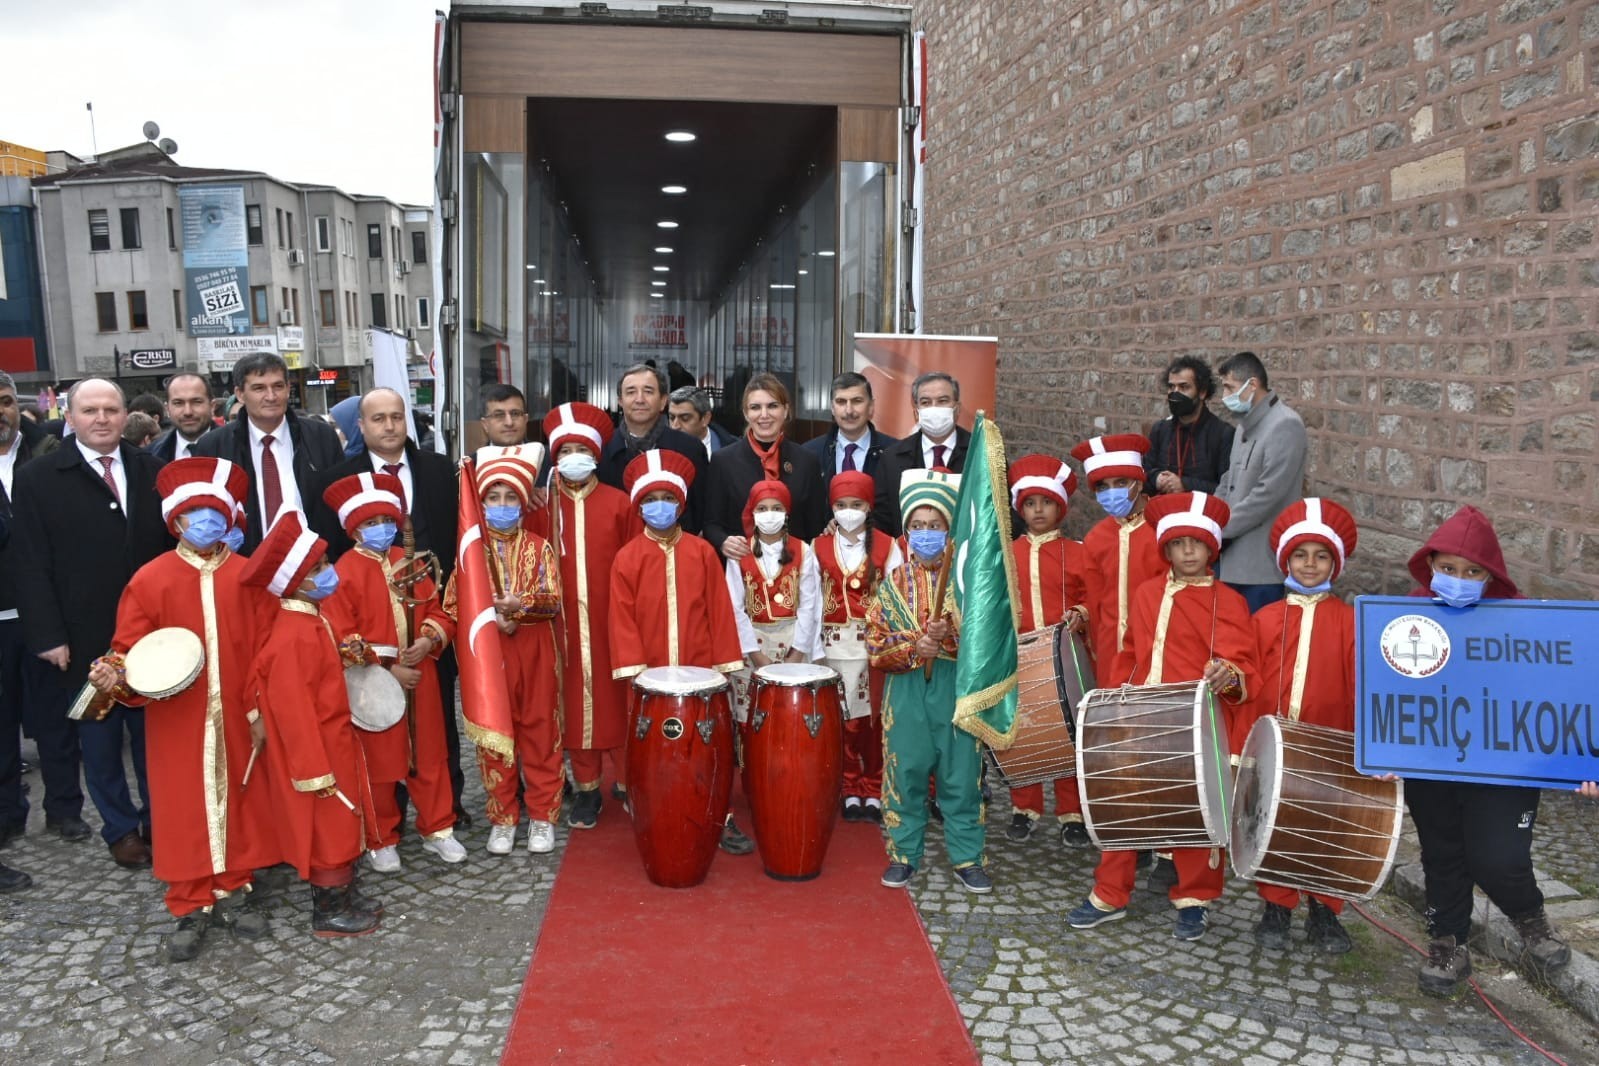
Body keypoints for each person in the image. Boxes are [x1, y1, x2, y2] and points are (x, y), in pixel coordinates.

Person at [86, 457, 278, 961]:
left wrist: (261, 708)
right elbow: (129, 650)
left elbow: (267, 650)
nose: (205, 522)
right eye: (195, 513)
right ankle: (189, 900)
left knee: (241, 796)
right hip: (176, 716)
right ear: (176, 519)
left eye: (215, 512)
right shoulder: (150, 580)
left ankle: (235, 886)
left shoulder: (248, 577)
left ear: (229, 517)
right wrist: (115, 673)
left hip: (237, 711)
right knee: (181, 804)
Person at [1068, 491, 1258, 942]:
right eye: (1178, 544)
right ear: (1166, 549)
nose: (1188, 552)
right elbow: (1131, 649)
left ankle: (1194, 898)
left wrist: (1227, 673)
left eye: (1196, 544)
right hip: (1140, 714)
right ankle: (1110, 892)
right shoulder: (1146, 593)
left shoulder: (1228, 602)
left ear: (1211, 548)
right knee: (1123, 804)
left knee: (1194, 810)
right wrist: (1117, 698)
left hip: (1194, 722)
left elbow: (1243, 664)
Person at [1402, 505, 1571, 997]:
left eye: (1472, 572)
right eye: (1448, 568)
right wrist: (1383, 751)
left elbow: (1561, 697)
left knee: (1499, 857)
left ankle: (1529, 916)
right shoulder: (1406, 614)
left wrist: (1580, 763)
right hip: (1433, 763)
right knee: (1442, 854)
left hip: (1504, 767)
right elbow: (1386, 693)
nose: (1458, 580)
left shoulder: (1522, 621)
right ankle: (1448, 943)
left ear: (1491, 575)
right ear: (1430, 564)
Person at [12, 378, 171, 868]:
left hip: (150, 637)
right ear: (70, 417)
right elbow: (30, 563)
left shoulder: (153, 469)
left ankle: (160, 823)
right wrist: (48, 636)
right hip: (82, 640)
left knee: (153, 741)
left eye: (110, 409)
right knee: (99, 744)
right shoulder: (38, 478)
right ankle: (121, 831)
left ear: (125, 415)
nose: (101, 419)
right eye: (89, 410)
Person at [314, 388, 467, 825]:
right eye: (378, 418)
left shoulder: (440, 470)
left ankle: (446, 809)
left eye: (396, 416)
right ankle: (384, 817)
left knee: (437, 726)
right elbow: (327, 556)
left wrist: (433, 634)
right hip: (370, 639)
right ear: (361, 426)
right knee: (376, 729)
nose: (389, 425)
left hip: (429, 627)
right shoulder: (333, 481)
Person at [241, 511, 381, 938]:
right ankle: (329, 910)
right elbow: (293, 710)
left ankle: (345, 893)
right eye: (317, 569)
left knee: (344, 819)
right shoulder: (293, 634)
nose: (328, 573)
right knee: (329, 828)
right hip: (318, 750)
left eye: (325, 563)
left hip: (334, 739)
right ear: (295, 582)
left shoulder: (311, 618)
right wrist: (313, 770)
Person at [608, 449, 749, 854]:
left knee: (706, 747)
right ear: (639, 506)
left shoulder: (703, 552)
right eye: (651, 500)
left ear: (681, 503)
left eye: (667, 498)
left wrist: (722, 668)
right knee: (653, 749)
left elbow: (719, 610)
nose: (660, 507)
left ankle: (718, 814)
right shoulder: (626, 558)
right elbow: (621, 619)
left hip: (700, 671)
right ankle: (655, 809)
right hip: (648, 677)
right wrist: (639, 676)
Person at [322, 472, 464, 872]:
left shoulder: (412, 562)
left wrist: (430, 641)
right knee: (379, 762)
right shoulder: (343, 572)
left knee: (429, 754)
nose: (381, 529)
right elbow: (342, 636)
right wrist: (388, 669)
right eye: (371, 523)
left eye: (387, 521)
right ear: (354, 529)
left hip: (422, 677)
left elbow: (439, 611)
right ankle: (381, 836)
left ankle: (439, 827)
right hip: (373, 685)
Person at [1237, 497, 1360, 955]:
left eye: (1321, 555)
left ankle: (1325, 909)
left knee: (1327, 825)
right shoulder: (1265, 619)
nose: (1310, 564)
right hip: (1277, 741)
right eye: (1301, 555)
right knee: (1274, 822)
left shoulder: (1350, 622)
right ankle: (1277, 906)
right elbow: (1250, 678)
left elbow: (1360, 684)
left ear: (1335, 563)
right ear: (1285, 560)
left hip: (1330, 742)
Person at [868, 469, 991, 894]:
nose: (926, 533)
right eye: (917, 526)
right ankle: (904, 853)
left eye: (934, 525)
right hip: (907, 688)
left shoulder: (967, 583)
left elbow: (988, 638)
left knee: (961, 774)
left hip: (954, 685)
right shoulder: (893, 582)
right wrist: (914, 646)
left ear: (949, 530)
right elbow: (875, 642)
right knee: (906, 771)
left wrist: (951, 635)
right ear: (906, 532)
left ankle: (968, 856)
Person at [443, 445, 563, 856]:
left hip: (535, 649)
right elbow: (453, 604)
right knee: (495, 736)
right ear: (479, 503)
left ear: (523, 502)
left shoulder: (539, 547)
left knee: (541, 732)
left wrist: (521, 606)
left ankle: (543, 815)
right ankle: (502, 816)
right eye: (492, 497)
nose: (502, 504)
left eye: (510, 497)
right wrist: (488, 617)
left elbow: (553, 599)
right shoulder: (470, 553)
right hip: (489, 656)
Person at [531, 403, 639, 829]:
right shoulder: (541, 506)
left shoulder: (620, 504)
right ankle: (587, 790)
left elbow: (637, 564)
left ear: (595, 455)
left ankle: (631, 782)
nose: (573, 457)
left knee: (621, 703)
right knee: (573, 706)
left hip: (613, 624)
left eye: (581, 450)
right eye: (565, 450)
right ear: (554, 457)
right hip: (562, 628)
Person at [1004, 454, 1091, 847]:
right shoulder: (1007, 554)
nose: (1038, 511)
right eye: (1031, 503)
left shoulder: (1078, 552)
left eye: (1047, 503)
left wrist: (1082, 612)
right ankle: (1024, 808)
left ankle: (1072, 812)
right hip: (1020, 657)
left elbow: (1093, 596)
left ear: (1061, 507)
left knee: (1069, 733)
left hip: (1065, 658)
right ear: (1020, 509)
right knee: (1024, 733)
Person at [189, 352, 345, 551]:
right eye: (259, 388)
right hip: (244, 562)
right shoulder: (213, 446)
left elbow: (338, 505)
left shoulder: (321, 437)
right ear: (240, 394)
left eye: (278, 386)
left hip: (314, 562)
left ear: (288, 389)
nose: (271, 397)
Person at [0, 370, 60, 879]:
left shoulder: (45, 453)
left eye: (4, 401)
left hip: (42, 610)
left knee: (53, 719)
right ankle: (8, 815)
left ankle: (64, 810)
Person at [812, 471, 897, 823]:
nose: (849, 511)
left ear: (869, 506)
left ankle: (873, 786)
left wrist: (891, 643)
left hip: (873, 647)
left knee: (873, 721)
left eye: (857, 504)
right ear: (832, 508)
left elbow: (896, 598)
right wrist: (813, 650)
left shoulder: (888, 546)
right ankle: (847, 786)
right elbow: (812, 601)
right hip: (833, 647)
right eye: (842, 505)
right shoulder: (817, 547)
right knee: (842, 719)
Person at [1213, 351, 1307, 613]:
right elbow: (1228, 479)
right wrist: (1211, 515)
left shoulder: (1286, 424)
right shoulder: (1244, 425)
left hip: (1259, 565)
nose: (1224, 396)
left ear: (1252, 385)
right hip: (1229, 558)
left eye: (1230, 387)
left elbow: (1268, 494)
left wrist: (1222, 527)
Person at [1071, 434, 1165, 689]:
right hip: (1110, 653)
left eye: (1121, 482)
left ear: (1138, 482)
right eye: (1103, 487)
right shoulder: (1095, 539)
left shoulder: (1164, 528)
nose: (1112, 492)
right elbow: (1094, 600)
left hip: (1158, 648)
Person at [725, 480, 824, 719]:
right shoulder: (739, 552)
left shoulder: (804, 550)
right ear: (752, 512)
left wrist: (797, 652)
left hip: (793, 641)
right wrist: (755, 654)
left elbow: (809, 605)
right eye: (762, 508)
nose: (769, 514)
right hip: (751, 644)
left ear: (786, 513)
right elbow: (734, 608)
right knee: (751, 715)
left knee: (792, 713)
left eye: (776, 508)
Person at [702, 373, 827, 562]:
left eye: (772, 406)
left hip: (794, 568)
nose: (764, 415)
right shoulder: (723, 461)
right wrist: (723, 541)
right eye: (755, 407)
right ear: (746, 413)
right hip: (742, 566)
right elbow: (711, 524)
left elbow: (815, 527)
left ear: (785, 410)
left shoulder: (807, 461)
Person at [595, 364, 707, 530]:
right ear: (620, 402)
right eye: (631, 392)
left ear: (663, 401)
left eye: (648, 391)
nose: (639, 399)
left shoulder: (690, 449)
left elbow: (701, 512)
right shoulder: (601, 449)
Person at [871, 372, 970, 537]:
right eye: (925, 402)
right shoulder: (891, 458)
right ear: (916, 412)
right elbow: (881, 520)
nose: (934, 408)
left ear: (957, 408)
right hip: (906, 551)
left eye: (942, 401)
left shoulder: (981, 453)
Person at [801, 372, 898, 501]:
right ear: (832, 408)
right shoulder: (809, 454)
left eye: (857, 401)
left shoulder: (894, 453)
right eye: (841, 402)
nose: (849, 411)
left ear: (871, 406)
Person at [1143, 356, 1230, 496]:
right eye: (1171, 387)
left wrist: (1185, 485)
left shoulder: (1222, 434)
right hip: (1163, 507)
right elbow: (1143, 475)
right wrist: (1157, 478)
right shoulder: (1160, 430)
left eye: (1184, 387)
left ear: (1202, 392)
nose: (1175, 393)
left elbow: (1227, 489)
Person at [149, 374, 214, 461]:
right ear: (167, 409)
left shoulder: (232, 447)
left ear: (212, 406)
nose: (188, 412)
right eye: (178, 403)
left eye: (196, 402)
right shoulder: (150, 455)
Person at [668, 386, 734, 459]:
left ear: (705, 419)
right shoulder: (660, 447)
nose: (675, 426)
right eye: (672, 418)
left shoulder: (733, 450)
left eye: (685, 418)